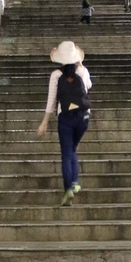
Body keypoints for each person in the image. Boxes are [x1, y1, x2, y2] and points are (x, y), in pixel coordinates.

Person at [37, 41, 92, 206]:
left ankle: (68, 188)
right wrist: (81, 66)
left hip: (65, 117)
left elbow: (51, 101)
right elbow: (88, 86)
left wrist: (44, 123)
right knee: (73, 149)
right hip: (83, 117)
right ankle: (74, 183)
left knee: (67, 153)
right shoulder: (82, 71)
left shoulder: (56, 75)